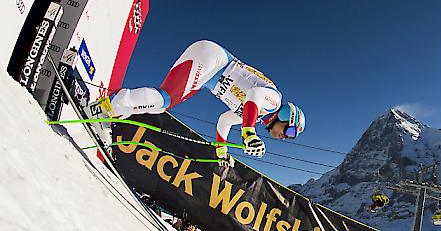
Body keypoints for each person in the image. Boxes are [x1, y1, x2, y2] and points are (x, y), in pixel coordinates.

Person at [93, 40, 305, 166]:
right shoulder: (274, 101)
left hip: (209, 72)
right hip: (214, 60)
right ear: (286, 118)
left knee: (161, 104)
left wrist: (221, 152)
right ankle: (106, 107)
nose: (286, 137)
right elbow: (255, 95)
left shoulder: (257, 115)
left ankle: (109, 113)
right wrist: (248, 133)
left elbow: (224, 121)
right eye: (291, 132)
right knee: (164, 98)